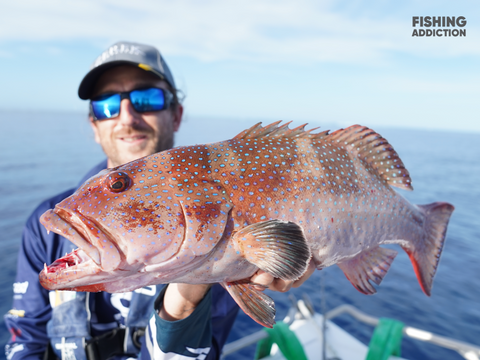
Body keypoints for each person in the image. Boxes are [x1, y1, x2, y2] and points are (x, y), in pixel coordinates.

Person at [4, 41, 315, 360]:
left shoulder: (213, 218)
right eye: (106, 104)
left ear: (176, 115)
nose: (127, 117)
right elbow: (25, 337)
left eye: (146, 98)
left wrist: (184, 303)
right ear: (94, 126)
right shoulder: (46, 225)